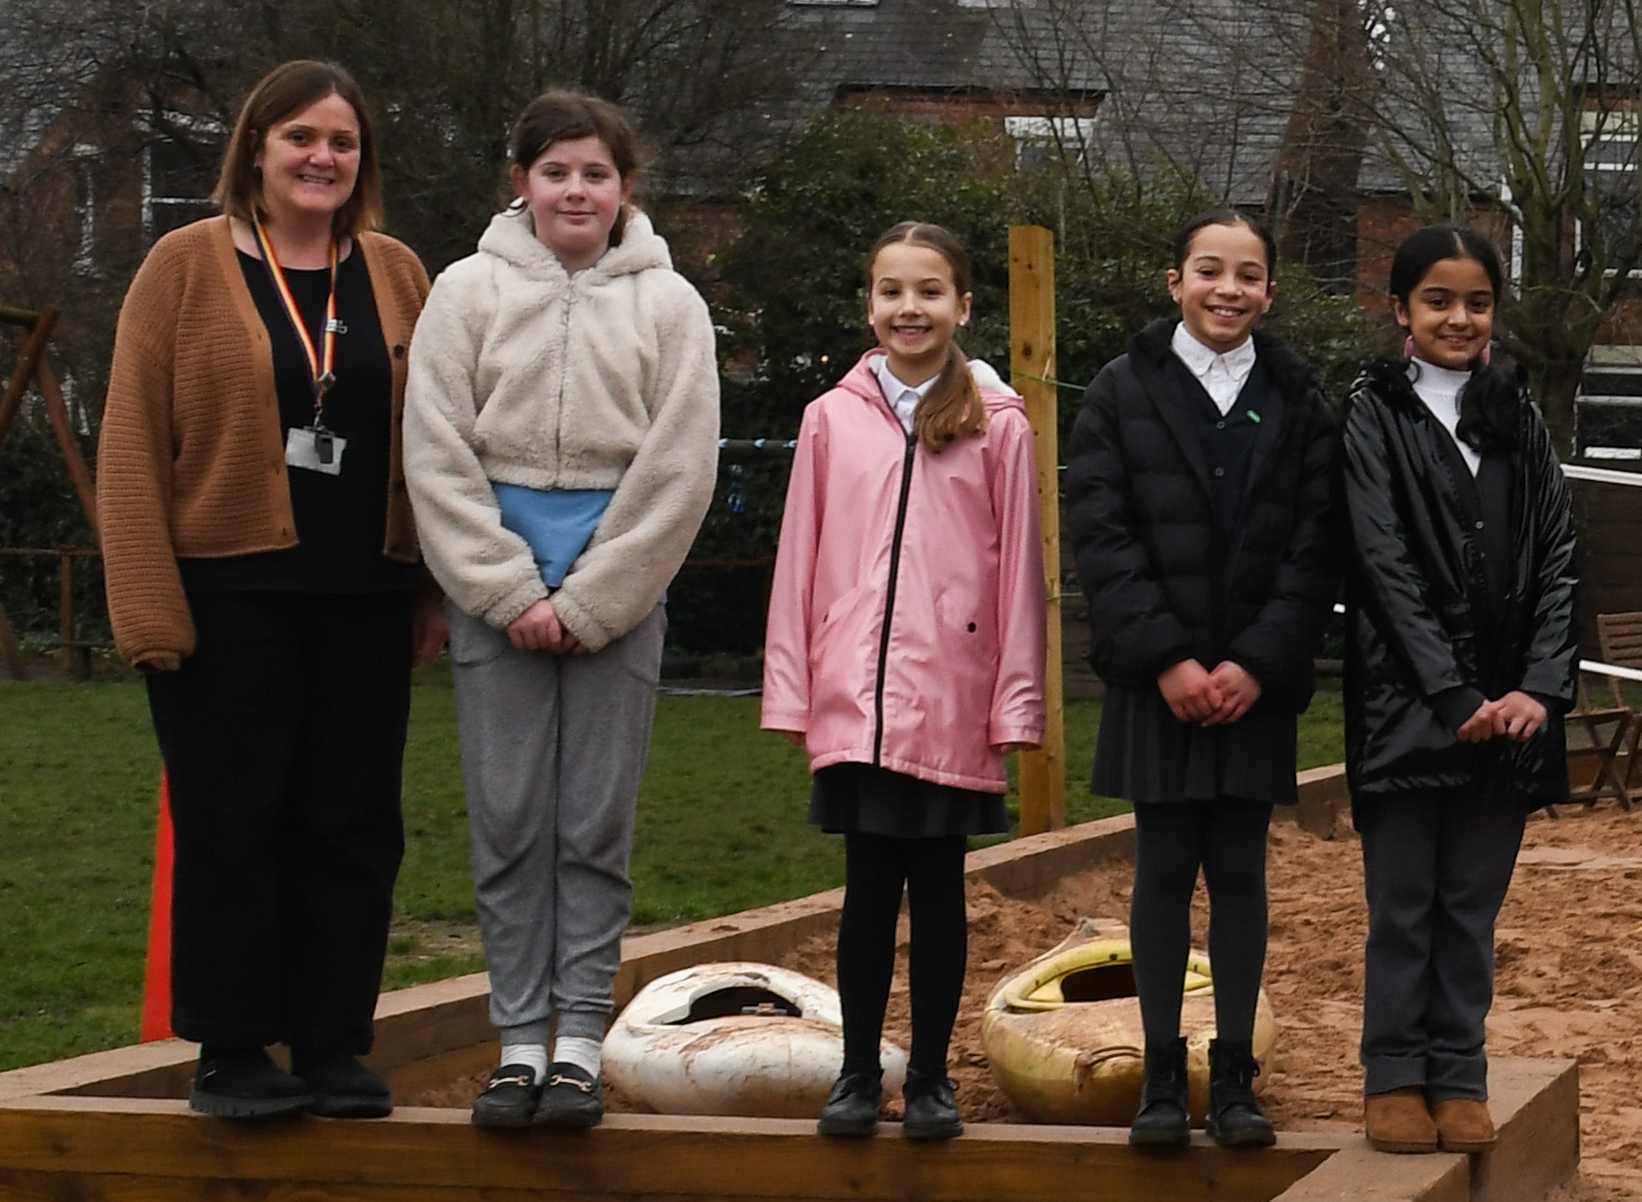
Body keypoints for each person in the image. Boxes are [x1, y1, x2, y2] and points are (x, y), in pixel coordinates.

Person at [92, 58, 439, 1125]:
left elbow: (440, 438)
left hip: (366, 595)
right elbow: (130, 444)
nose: (321, 157)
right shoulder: (183, 266)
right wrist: (147, 607)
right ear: (255, 147)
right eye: (301, 137)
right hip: (226, 596)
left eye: (342, 141)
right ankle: (233, 1047)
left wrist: (432, 584)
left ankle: (331, 1042)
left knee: (352, 825)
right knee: (233, 820)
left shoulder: (397, 273)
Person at [400, 90, 723, 1134]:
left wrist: (594, 598)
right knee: (508, 821)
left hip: (617, 599)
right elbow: (436, 449)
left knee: (591, 822)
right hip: (494, 598)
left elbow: (680, 465)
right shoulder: (465, 291)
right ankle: (518, 1044)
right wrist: (504, 588)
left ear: (625, 186)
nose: (575, 191)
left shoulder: (670, 304)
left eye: (595, 173)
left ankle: (579, 1041)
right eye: (555, 172)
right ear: (520, 182)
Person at [761, 222, 1049, 1145]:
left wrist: (1014, 703)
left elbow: (1019, 577)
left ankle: (929, 1078)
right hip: (855, 701)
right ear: (870, 305)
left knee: (939, 892)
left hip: (949, 701)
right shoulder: (829, 418)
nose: (909, 308)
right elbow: (799, 560)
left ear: (963, 305)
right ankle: (856, 1073)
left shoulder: (1000, 424)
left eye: (929, 291)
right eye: (892, 291)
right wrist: (793, 692)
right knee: (867, 891)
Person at [1066, 204, 1346, 1154]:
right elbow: (1102, 535)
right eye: (1209, 270)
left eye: (1248, 275)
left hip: (1253, 686)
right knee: (1162, 869)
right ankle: (1159, 1075)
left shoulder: (1300, 400)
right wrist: (1169, 660)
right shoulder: (1119, 391)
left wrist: (1259, 662)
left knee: (1239, 872)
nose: (1228, 289)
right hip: (1158, 683)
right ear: (1175, 281)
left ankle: (1233, 1081)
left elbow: (1316, 546)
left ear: (1270, 291)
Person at [1334, 223, 1579, 1160]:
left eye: (1477, 302)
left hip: (1511, 715)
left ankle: (1459, 1074)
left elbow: (1558, 554)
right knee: (1404, 906)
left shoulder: (1522, 414)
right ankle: (1394, 1076)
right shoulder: (1372, 415)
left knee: (1471, 907)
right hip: (1408, 710)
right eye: (1438, 300)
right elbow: (1381, 564)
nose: (1459, 318)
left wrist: (1539, 687)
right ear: (1402, 308)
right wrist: (1448, 691)